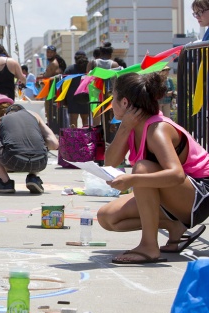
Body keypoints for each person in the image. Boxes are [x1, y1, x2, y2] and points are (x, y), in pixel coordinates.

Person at [97, 72, 209, 264]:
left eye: (112, 97)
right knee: (107, 217)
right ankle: (174, 226)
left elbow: (176, 175)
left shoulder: (157, 129)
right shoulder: (132, 126)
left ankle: (149, 246)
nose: (111, 103)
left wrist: (133, 180)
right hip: (176, 197)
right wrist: (124, 129)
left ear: (124, 103)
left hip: (199, 196)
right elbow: (110, 163)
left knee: (142, 168)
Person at [0, 104, 58, 194]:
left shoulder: (1, 120)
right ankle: (33, 178)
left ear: (6, 113)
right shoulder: (34, 116)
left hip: (13, 161)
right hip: (40, 162)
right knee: (35, 141)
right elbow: (54, 144)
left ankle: (5, 182)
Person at [64, 51, 90, 128]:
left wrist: (64, 100)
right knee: (85, 122)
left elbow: (64, 86)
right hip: (86, 97)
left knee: (73, 122)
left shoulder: (70, 69)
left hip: (72, 98)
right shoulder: (88, 69)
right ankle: (85, 139)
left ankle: (74, 139)